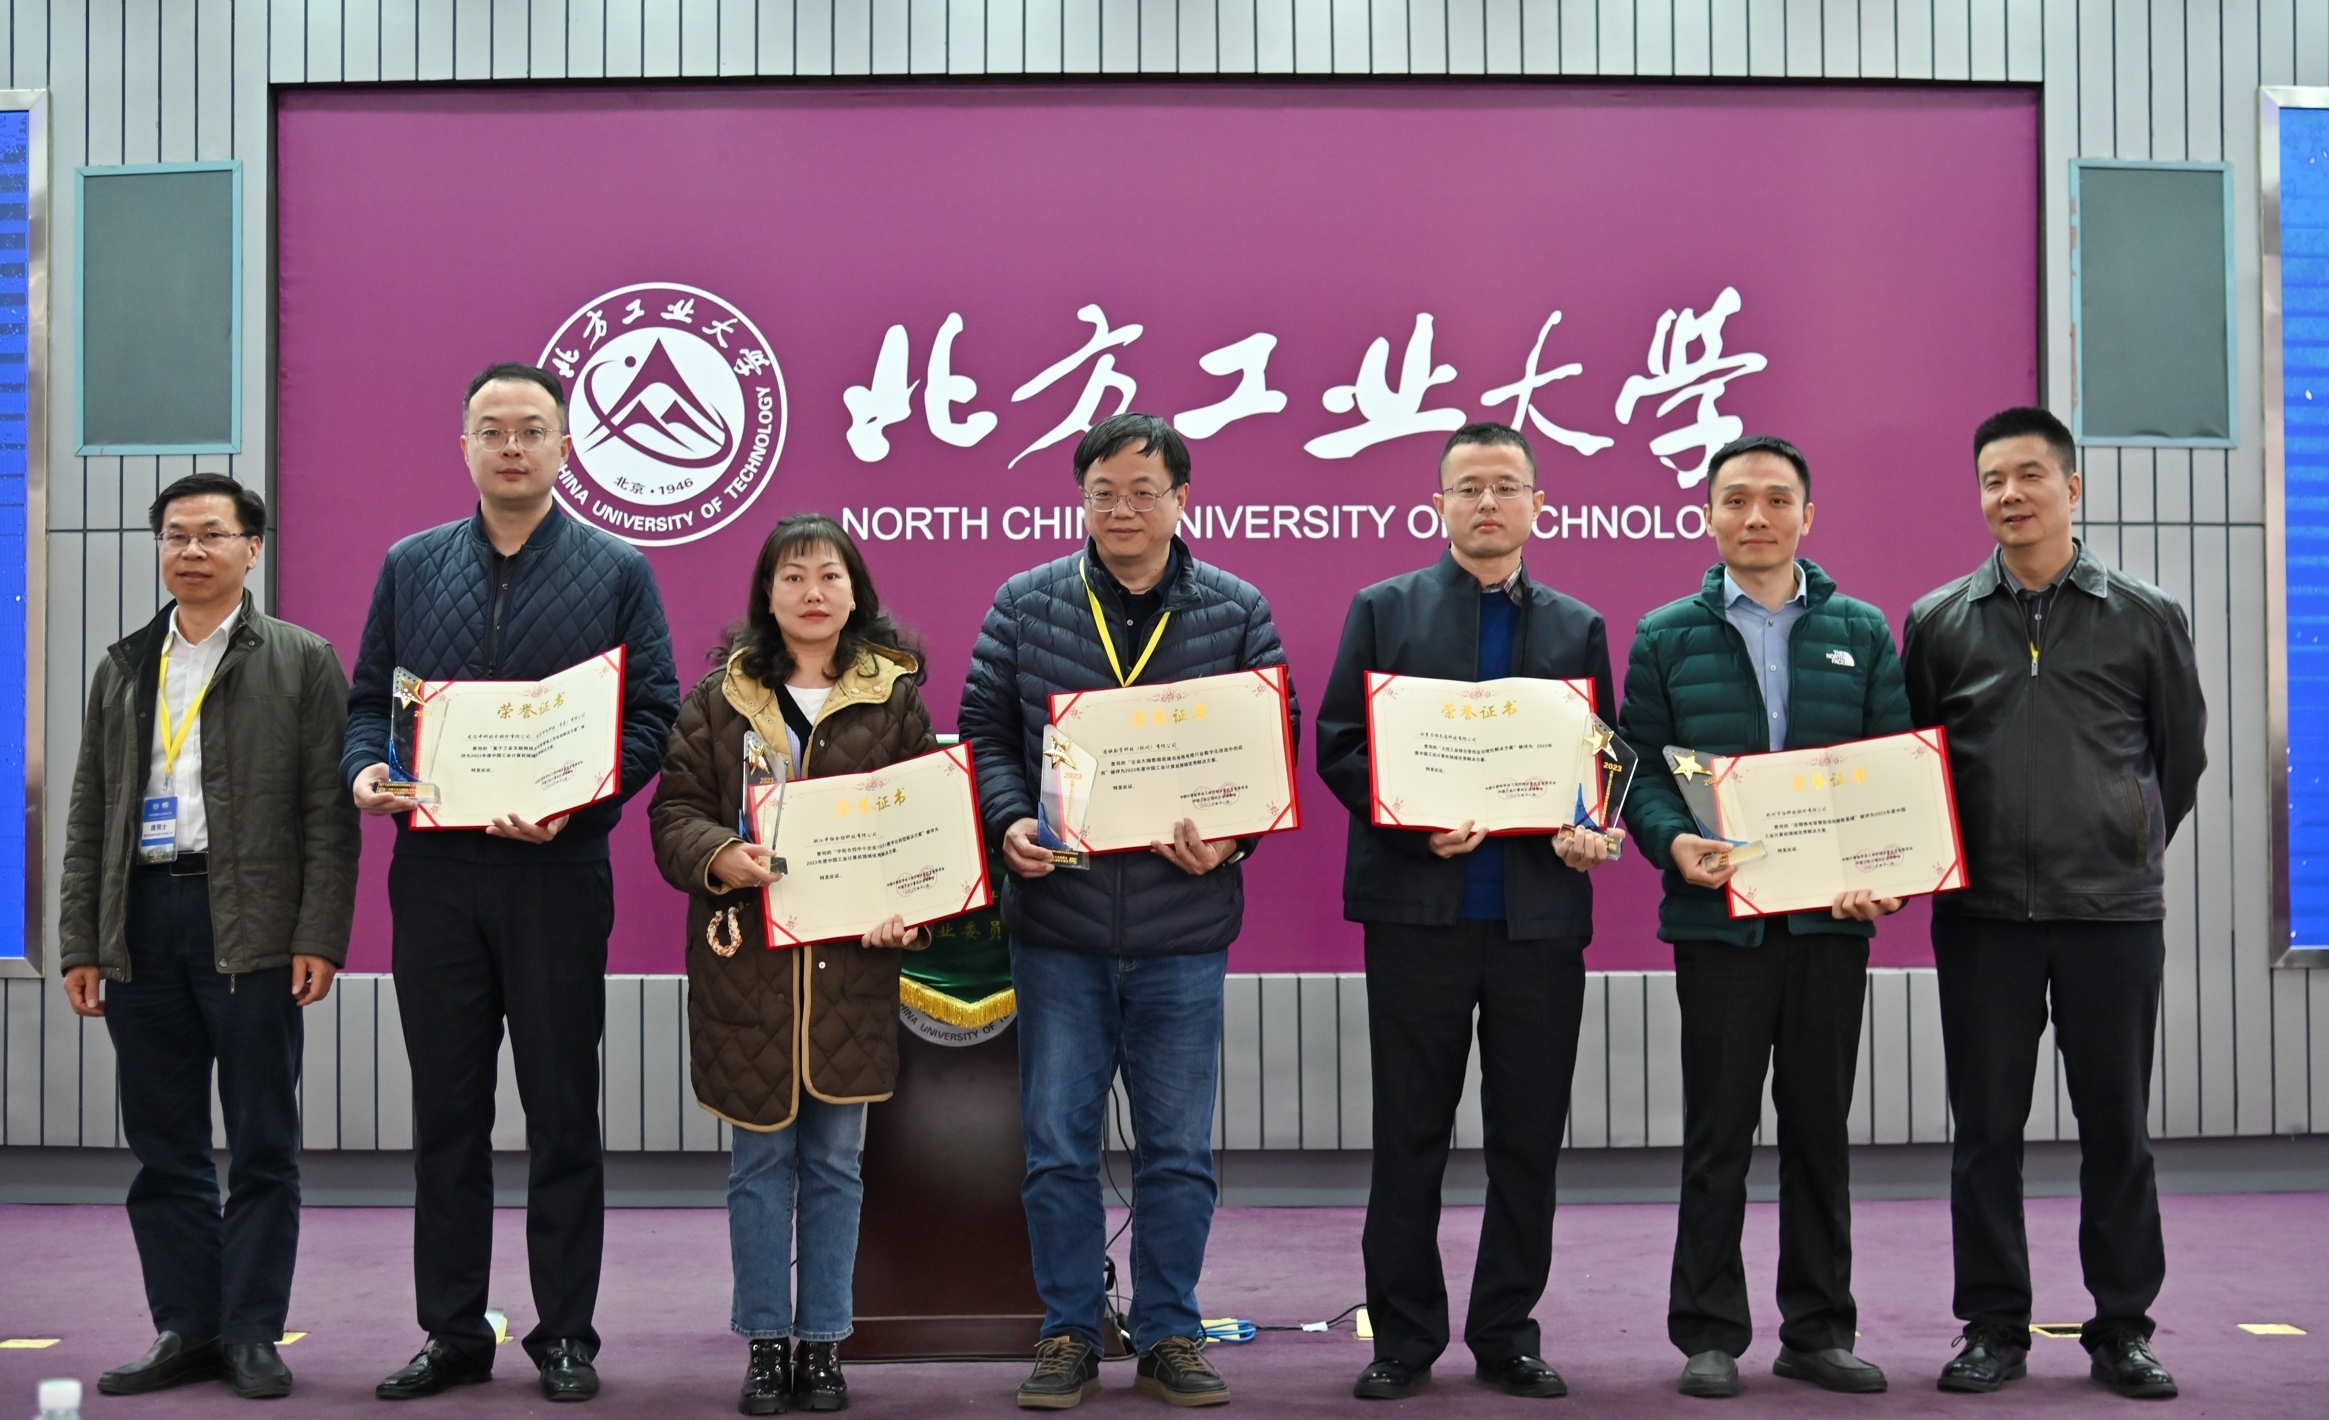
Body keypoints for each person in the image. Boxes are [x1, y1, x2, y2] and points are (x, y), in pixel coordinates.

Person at [345, 362, 680, 1404]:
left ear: (565, 447)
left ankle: (565, 1334)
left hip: (557, 873)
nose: (512, 446)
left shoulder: (617, 568)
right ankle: (451, 1334)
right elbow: (369, 702)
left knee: (561, 1111)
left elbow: (654, 713)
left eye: (532, 429)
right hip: (434, 874)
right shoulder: (411, 566)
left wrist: (580, 801)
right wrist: (363, 772)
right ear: (464, 446)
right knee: (446, 1116)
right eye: (491, 429)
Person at [958, 412, 1294, 1411]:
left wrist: (1233, 840)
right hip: (1058, 924)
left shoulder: (1237, 609)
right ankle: (1068, 1329)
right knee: (1057, 1146)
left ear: (1181, 499)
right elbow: (984, 732)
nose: (1121, 510)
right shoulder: (1025, 603)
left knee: (1177, 1151)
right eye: (1102, 493)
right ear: (1082, 499)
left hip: (1181, 927)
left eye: (1143, 492)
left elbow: (1268, 746)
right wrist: (1009, 821)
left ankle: (1169, 1332)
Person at [1903, 407, 2205, 1401]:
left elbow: (2178, 759)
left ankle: (2121, 1327)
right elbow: (1917, 765)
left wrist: (2120, 841)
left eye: (2029, 475)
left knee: (2116, 1127)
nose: (2010, 495)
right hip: (1981, 919)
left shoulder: (2145, 614)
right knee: (1984, 1131)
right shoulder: (1938, 621)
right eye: (1992, 479)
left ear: (2071, 488)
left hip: (2110, 915)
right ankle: (1992, 1326)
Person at [1315, 422, 1615, 1402]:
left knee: (1526, 1139)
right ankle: (1403, 1338)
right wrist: (1413, 826)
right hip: (1417, 912)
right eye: (1468, 487)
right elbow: (1339, 745)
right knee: (1409, 1133)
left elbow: (1598, 764)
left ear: (1537, 504)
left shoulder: (1576, 626)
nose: (1487, 502)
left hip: (1537, 920)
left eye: (1506, 486)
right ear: (1438, 504)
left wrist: (1591, 826)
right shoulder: (1384, 610)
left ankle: (1506, 1333)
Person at [1616, 435, 1908, 1400]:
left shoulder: (1861, 631)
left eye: (1776, 499)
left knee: (1820, 1133)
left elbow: (1894, 770)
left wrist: (1885, 875)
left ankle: (1817, 1331)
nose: (1755, 516)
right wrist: (1672, 844)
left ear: (1806, 517)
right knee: (1718, 1134)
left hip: (1829, 924)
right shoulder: (1665, 634)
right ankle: (1708, 1333)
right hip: (1719, 926)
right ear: (1707, 515)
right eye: (1735, 498)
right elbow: (1639, 771)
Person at [59, 473, 360, 1401]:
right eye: (175, 535)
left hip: (254, 924)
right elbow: (90, 809)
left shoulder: (302, 660)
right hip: (142, 920)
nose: (191, 550)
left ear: (251, 549)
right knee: (165, 1143)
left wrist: (320, 933)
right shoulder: (123, 665)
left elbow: (328, 814)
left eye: (211, 534)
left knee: (263, 1142)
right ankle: (185, 1326)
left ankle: (252, 1331)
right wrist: (81, 940)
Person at [649, 513, 935, 1416]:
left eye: (829, 576)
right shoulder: (720, 699)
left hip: (851, 969)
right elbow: (673, 813)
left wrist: (909, 910)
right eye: (793, 577)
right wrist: (717, 855)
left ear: (856, 593)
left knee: (839, 1166)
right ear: (766, 596)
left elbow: (920, 826)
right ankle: (765, 1342)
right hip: (749, 970)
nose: (813, 593)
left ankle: (824, 1344)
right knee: (759, 1166)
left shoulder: (895, 698)